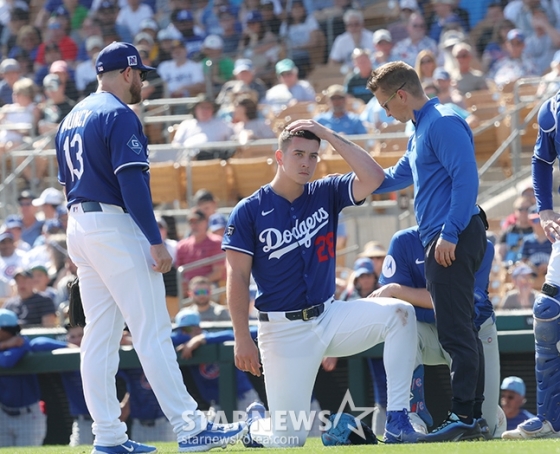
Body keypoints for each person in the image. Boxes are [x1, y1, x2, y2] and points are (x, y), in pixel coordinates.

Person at [54, 41, 247, 453]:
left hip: (79, 224)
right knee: (153, 332)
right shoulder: (119, 113)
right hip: (113, 224)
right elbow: (132, 183)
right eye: (140, 73)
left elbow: (67, 185)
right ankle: (191, 428)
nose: (142, 79)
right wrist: (155, 240)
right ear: (126, 73)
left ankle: (107, 438)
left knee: (99, 338)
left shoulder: (70, 116)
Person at [223, 120, 423, 446]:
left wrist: (329, 135)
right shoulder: (249, 211)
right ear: (279, 156)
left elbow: (374, 178)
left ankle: (398, 418)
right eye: (298, 153)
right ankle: (257, 425)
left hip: (329, 316)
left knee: (400, 314)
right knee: (289, 440)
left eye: (313, 156)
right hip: (282, 330)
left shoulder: (325, 191)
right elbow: (237, 276)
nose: (306, 162)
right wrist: (241, 336)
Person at [367, 61, 487, 441]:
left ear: (401, 94)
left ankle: (465, 416)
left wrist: (450, 234)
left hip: (451, 236)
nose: (385, 113)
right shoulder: (421, 129)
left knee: (455, 332)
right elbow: (391, 177)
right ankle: (472, 416)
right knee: (457, 329)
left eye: (386, 104)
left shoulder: (441, 122)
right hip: (444, 236)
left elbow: (466, 178)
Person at [373, 226, 502, 438]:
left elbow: (461, 303)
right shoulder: (404, 241)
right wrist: (398, 294)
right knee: (400, 327)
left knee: (483, 428)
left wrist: (398, 289)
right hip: (425, 330)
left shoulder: (481, 244)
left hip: (473, 331)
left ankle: (495, 415)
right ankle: (411, 417)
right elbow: (392, 305)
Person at [501, 46, 560, 441]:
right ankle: (550, 418)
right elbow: (540, 161)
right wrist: (546, 211)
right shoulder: (553, 108)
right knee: (546, 311)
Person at [172, 309, 261, 412]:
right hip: (217, 404)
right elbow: (165, 339)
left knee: (257, 426)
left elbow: (252, 332)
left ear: (198, 328)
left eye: (187, 329)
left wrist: (202, 338)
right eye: (180, 330)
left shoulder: (212, 338)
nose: (183, 333)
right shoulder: (180, 340)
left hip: (244, 397)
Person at [0, 308, 47, 447]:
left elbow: (7, 362)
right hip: (3, 414)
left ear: (4, 330)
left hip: (28, 416)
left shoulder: (22, 342)